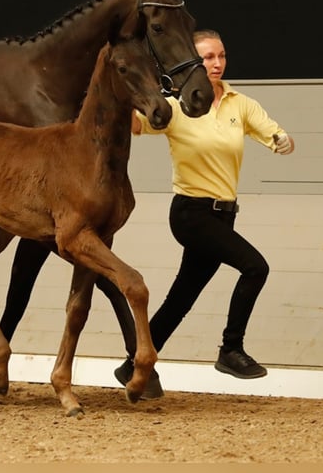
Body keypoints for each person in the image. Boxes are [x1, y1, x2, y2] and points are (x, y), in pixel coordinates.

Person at [115, 29, 295, 398]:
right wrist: (120, 97)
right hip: (191, 213)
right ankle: (231, 349)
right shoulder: (177, 106)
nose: (216, 63)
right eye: (208, 57)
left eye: (221, 56)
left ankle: (133, 362)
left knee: (182, 297)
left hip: (224, 215)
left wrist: (282, 142)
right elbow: (138, 123)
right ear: (194, 63)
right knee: (255, 267)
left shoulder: (239, 104)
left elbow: (274, 135)